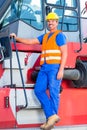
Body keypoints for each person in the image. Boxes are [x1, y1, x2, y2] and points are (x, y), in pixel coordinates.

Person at [10, 12, 67, 130]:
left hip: (54, 68)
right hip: (45, 67)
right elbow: (31, 41)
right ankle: (52, 116)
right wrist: (17, 38)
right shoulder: (45, 37)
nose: (50, 23)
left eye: (52, 21)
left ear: (57, 22)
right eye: (48, 21)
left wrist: (61, 70)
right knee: (39, 90)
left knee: (53, 92)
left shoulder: (59, 35)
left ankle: (50, 121)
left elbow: (64, 53)